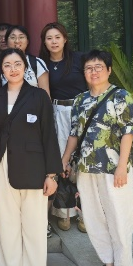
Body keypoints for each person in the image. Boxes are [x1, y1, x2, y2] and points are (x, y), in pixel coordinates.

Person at [0, 48, 61, 266]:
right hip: (2, 165)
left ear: (26, 68)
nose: (13, 69)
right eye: (7, 65)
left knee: (35, 226)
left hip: (34, 166)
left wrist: (52, 174)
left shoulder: (38, 96)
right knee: (7, 226)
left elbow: (49, 134)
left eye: (18, 64)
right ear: (1, 69)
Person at [61, 50, 133, 266]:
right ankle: (108, 263)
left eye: (98, 67)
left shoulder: (121, 96)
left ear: (109, 70)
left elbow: (128, 132)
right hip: (86, 168)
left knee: (119, 217)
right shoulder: (80, 100)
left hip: (113, 169)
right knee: (93, 218)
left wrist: (122, 166)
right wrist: (65, 159)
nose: (94, 72)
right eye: (89, 68)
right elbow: (75, 133)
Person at [40, 22, 88, 233]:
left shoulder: (79, 59)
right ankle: (64, 212)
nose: (54, 42)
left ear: (65, 39)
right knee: (61, 161)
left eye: (57, 37)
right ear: (44, 42)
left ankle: (86, 213)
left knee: (83, 161)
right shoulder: (42, 64)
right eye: (49, 38)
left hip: (81, 111)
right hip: (57, 112)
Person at [3, 25, 50, 97]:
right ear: (6, 41)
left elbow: (45, 96)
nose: (17, 41)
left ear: (27, 41)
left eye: (21, 37)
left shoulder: (37, 63)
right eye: (13, 37)